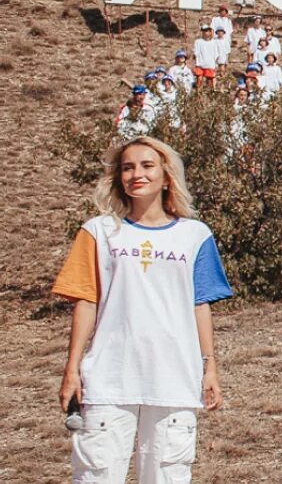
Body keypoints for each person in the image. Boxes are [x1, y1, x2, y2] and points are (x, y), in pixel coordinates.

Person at [52, 137, 232, 484]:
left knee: (168, 476)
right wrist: (72, 369)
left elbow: (200, 304)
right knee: (96, 475)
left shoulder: (195, 235)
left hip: (174, 378)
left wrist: (208, 368)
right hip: (109, 377)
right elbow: (85, 301)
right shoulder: (98, 232)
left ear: (167, 176)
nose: (137, 174)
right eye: (127, 167)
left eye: (147, 165)